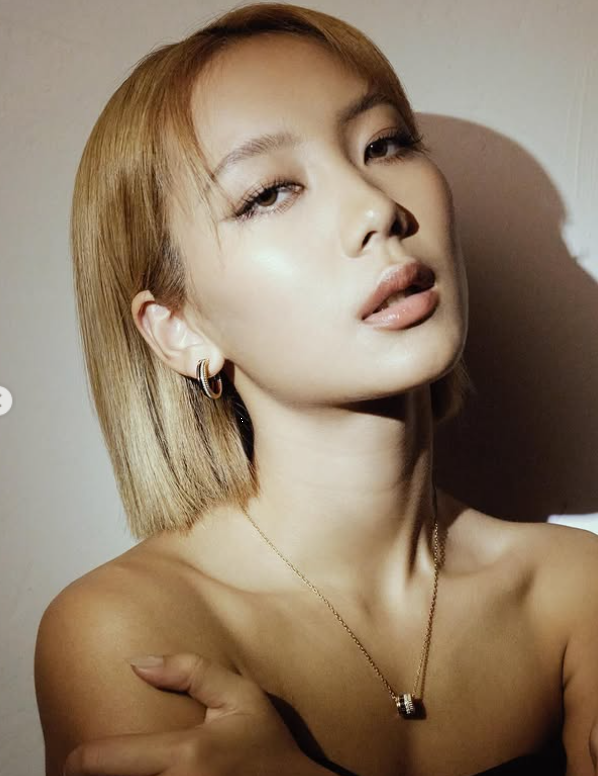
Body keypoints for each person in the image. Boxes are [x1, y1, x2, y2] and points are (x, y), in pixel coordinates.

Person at [34, 3, 598, 776]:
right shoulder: (129, 632)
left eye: (385, 144)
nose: (378, 209)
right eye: (268, 192)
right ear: (179, 329)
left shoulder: (574, 590)